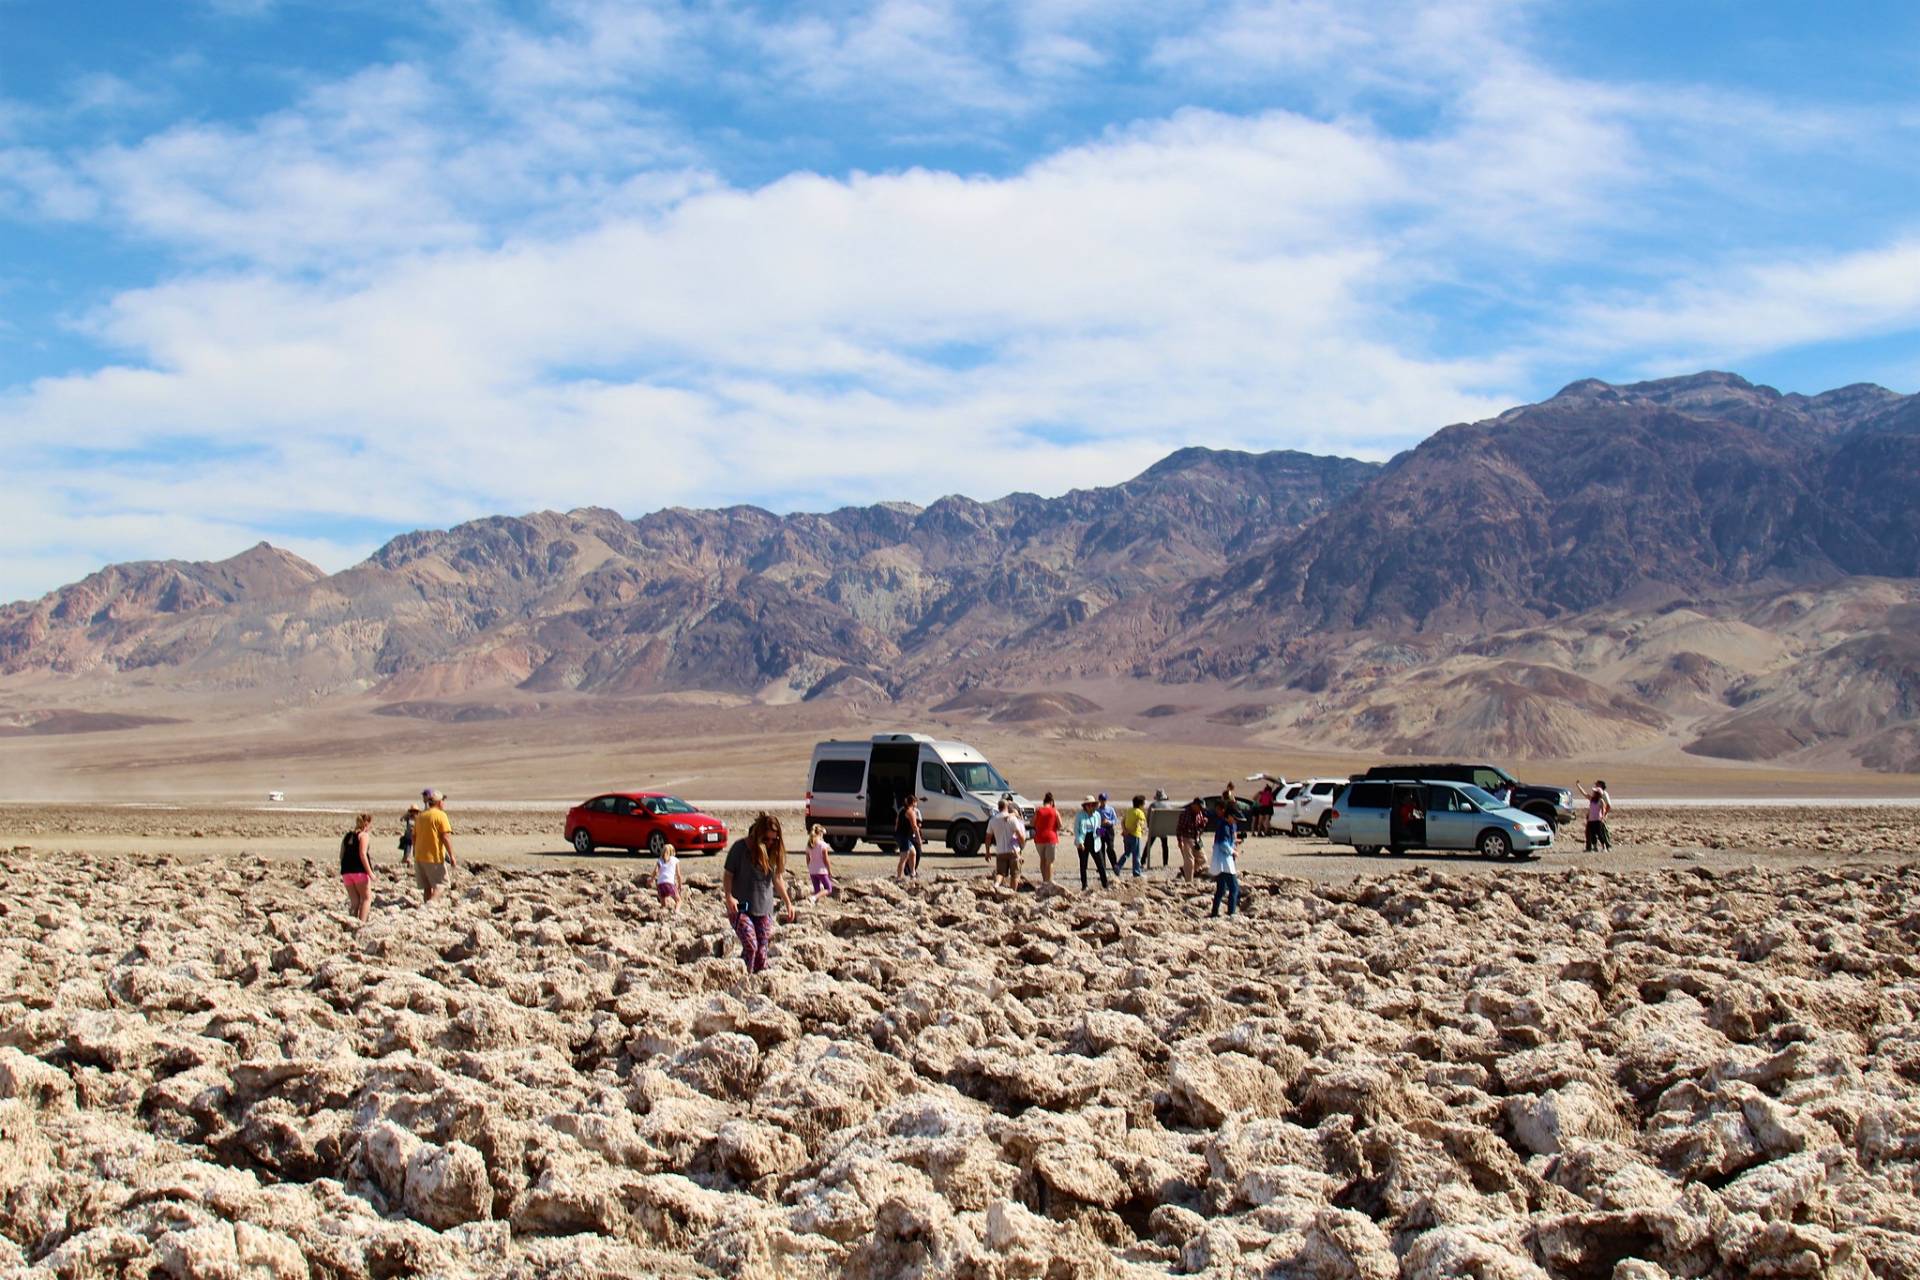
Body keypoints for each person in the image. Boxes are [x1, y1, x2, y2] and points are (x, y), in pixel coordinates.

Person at [723, 812, 796, 973]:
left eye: (773, 839)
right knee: (751, 946)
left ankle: (755, 981)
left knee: (761, 953)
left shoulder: (773, 852)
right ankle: (745, 979)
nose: (770, 843)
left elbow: (777, 878)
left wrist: (788, 902)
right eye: (766, 839)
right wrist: (729, 896)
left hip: (764, 909)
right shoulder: (740, 848)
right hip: (740, 908)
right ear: (758, 835)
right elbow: (728, 874)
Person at [411, 789, 455, 905]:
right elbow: (445, 837)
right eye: (443, 801)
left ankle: (427, 907)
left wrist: (414, 852)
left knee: (427, 887)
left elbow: (414, 836)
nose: (444, 803)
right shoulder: (441, 815)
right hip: (433, 857)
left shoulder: (421, 816)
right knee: (441, 884)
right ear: (439, 802)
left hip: (420, 857)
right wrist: (452, 856)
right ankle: (430, 906)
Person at [339, 812, 374, 922]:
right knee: (366, 899)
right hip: (359, 871)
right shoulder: (363, 836)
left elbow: (341, 854)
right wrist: (370, 873)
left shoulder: (347, 836)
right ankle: (361, 924)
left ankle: (351, 923)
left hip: (346, 872)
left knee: (354, 901)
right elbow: (362, 854)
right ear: (366, 824)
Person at [1209, 797, 1241, 917]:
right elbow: (1223, 844)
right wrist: (1233, 851)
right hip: (1225, 862)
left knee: (1221, 889)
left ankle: (1214, 912)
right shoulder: (1225, 826)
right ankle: (1231, 913)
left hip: (1220, 861)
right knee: (1234, 888)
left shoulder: (1224, 825)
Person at [986, 798, 1027, 889]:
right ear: (1006, 807)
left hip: (1000, 851)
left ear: (998, 807)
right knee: (1015, 874)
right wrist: (1022, 844)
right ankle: (1012, 892)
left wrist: (987, 851)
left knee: (1000, 873)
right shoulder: (1012, 819)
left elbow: (988, 837)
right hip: (1013, 851)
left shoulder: (993, 820)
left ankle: (996, 885)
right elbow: (1019, 835)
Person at [1074, 796, 1107, 890]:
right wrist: (1080, 842)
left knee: (1100, 863)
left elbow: (1098, 828)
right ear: (1085, 806)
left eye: (1092, 805)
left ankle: (1105, 884)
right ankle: (1084, 885)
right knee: (1083, 864)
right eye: (1088, 805)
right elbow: (1076, 830)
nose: (1091, 807)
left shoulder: (1097, 815)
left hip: (1095, 840)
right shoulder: (1080, 815)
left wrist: (1102, 832)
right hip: (1083, 840)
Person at [1031, 792, 1062, 886]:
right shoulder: (1054, 811)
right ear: (1052, 802)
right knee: (1050, 862)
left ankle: (1044, 880)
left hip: (1039, 838)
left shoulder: (1038, 810)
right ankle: (1049, 882)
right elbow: (1060, 825)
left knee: (1042, 859)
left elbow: (1032, 823)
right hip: (1051, 838)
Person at [1575, 780, 1613, 852]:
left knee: (1600, 833)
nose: (1593, 792)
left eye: (1595, 791)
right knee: (1592, 833)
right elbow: (1584, 793)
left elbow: (1605, 808)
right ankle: (1594, 847)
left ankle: (1605, 847)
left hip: (1598, 819)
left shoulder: (1601, 799)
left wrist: (1603, 817)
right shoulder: (1592, 799)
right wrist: (1578, 786)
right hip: (1591, 819)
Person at [1176, 797, 1205, 881]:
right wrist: (1180, 841)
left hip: (1196, 839)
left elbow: (1200, 827)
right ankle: (1189, 881)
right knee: (1190, 862)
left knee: (1203, 859)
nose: (1201, 809)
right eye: (1200, 807)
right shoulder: (1185, 814)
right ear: (1194, 805)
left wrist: (1203, 824)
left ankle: (1185, 871)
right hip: (1186, 838)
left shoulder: (1199, 814)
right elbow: (1179, 828)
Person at [895, 794, 924, 879]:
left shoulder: (902, 810)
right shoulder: (911, 812)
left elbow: (896, 823)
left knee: (913, 853)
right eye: (916, 803)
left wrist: (896, 833)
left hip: (901, 836)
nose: (917, 805)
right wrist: (919, 839)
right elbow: (915, 827)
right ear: (913, 803)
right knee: (903, 858)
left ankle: (913, 873)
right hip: (903, 837)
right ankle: (898, 878)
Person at [805, 823, 836, 901]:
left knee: (817, 890)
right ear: (820, 834)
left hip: (812, 870)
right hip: (821, 870)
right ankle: (814, 898)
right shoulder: (823, 845)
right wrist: (829, 870)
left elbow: (808, 859)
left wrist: (810, 867)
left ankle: (814, 901)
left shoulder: (809, 845)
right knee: (828, 888)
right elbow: (826, 859)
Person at [1120, 794, 1148, 877]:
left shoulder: (1129, 810)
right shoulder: (1140, 813)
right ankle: (1136, 872)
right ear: (1141, 804)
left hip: (1126, 836)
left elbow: (1122, 821)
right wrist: (1129, 831)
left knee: (1127, 853)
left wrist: (1125, 831)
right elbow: (1138, 824)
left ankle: (1118, 866)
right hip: (1135, 835)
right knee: (1136, 855)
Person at [1146, 789, 1176, 866]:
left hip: (1154, 829)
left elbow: (1148, 818)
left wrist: (1150, 827)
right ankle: (1165, 863)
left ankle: (1142, 861)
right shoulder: (1169, 806)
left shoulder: (1153, 805)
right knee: (1165, 845)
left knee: (1148, 845)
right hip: (1164, 830)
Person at [655, 841, 683, 912]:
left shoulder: (660, 860)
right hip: (669, 883)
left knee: (663, 905)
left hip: (660, 884)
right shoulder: (675, 860)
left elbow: (655, 871)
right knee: (678, 901)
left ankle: (660, 915)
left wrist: (651, 879)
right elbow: (678, 875)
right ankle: (676, 913)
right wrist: (680, 885)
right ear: (673, 852)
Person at [1095, 793, 1118, 877]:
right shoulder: (1097, 810)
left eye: (1104, 800)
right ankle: (1102, 867)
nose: (1103, 802)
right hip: (1101, 829)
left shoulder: (1110, 809)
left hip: (1109, 829)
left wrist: (1109, 821)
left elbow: (1115, 820)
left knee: (1110, 847)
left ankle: (1114, 865)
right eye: (1101, 800)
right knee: (1101, 848)